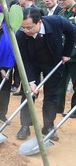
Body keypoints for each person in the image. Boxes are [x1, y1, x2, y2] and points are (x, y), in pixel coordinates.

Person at [15, 8, 76, 141]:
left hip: (53, 63)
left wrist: (66, 53)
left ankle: (48, 126)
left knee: (51, 95)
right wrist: (31, 81)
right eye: (23, 27)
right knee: (28, 94)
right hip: (33, 63)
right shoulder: (20, 35)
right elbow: (24, 60)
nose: (26, 31)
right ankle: (25, 126)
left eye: (29, 28)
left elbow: (72, 32)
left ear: (39, 22)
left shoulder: (57, 22)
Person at [55, 0, 76, 117]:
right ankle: (57, 107)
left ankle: (74, 110)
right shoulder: (62, 13)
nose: (61, 1)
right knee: (60, 82)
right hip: (63, 55)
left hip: (75, 55)